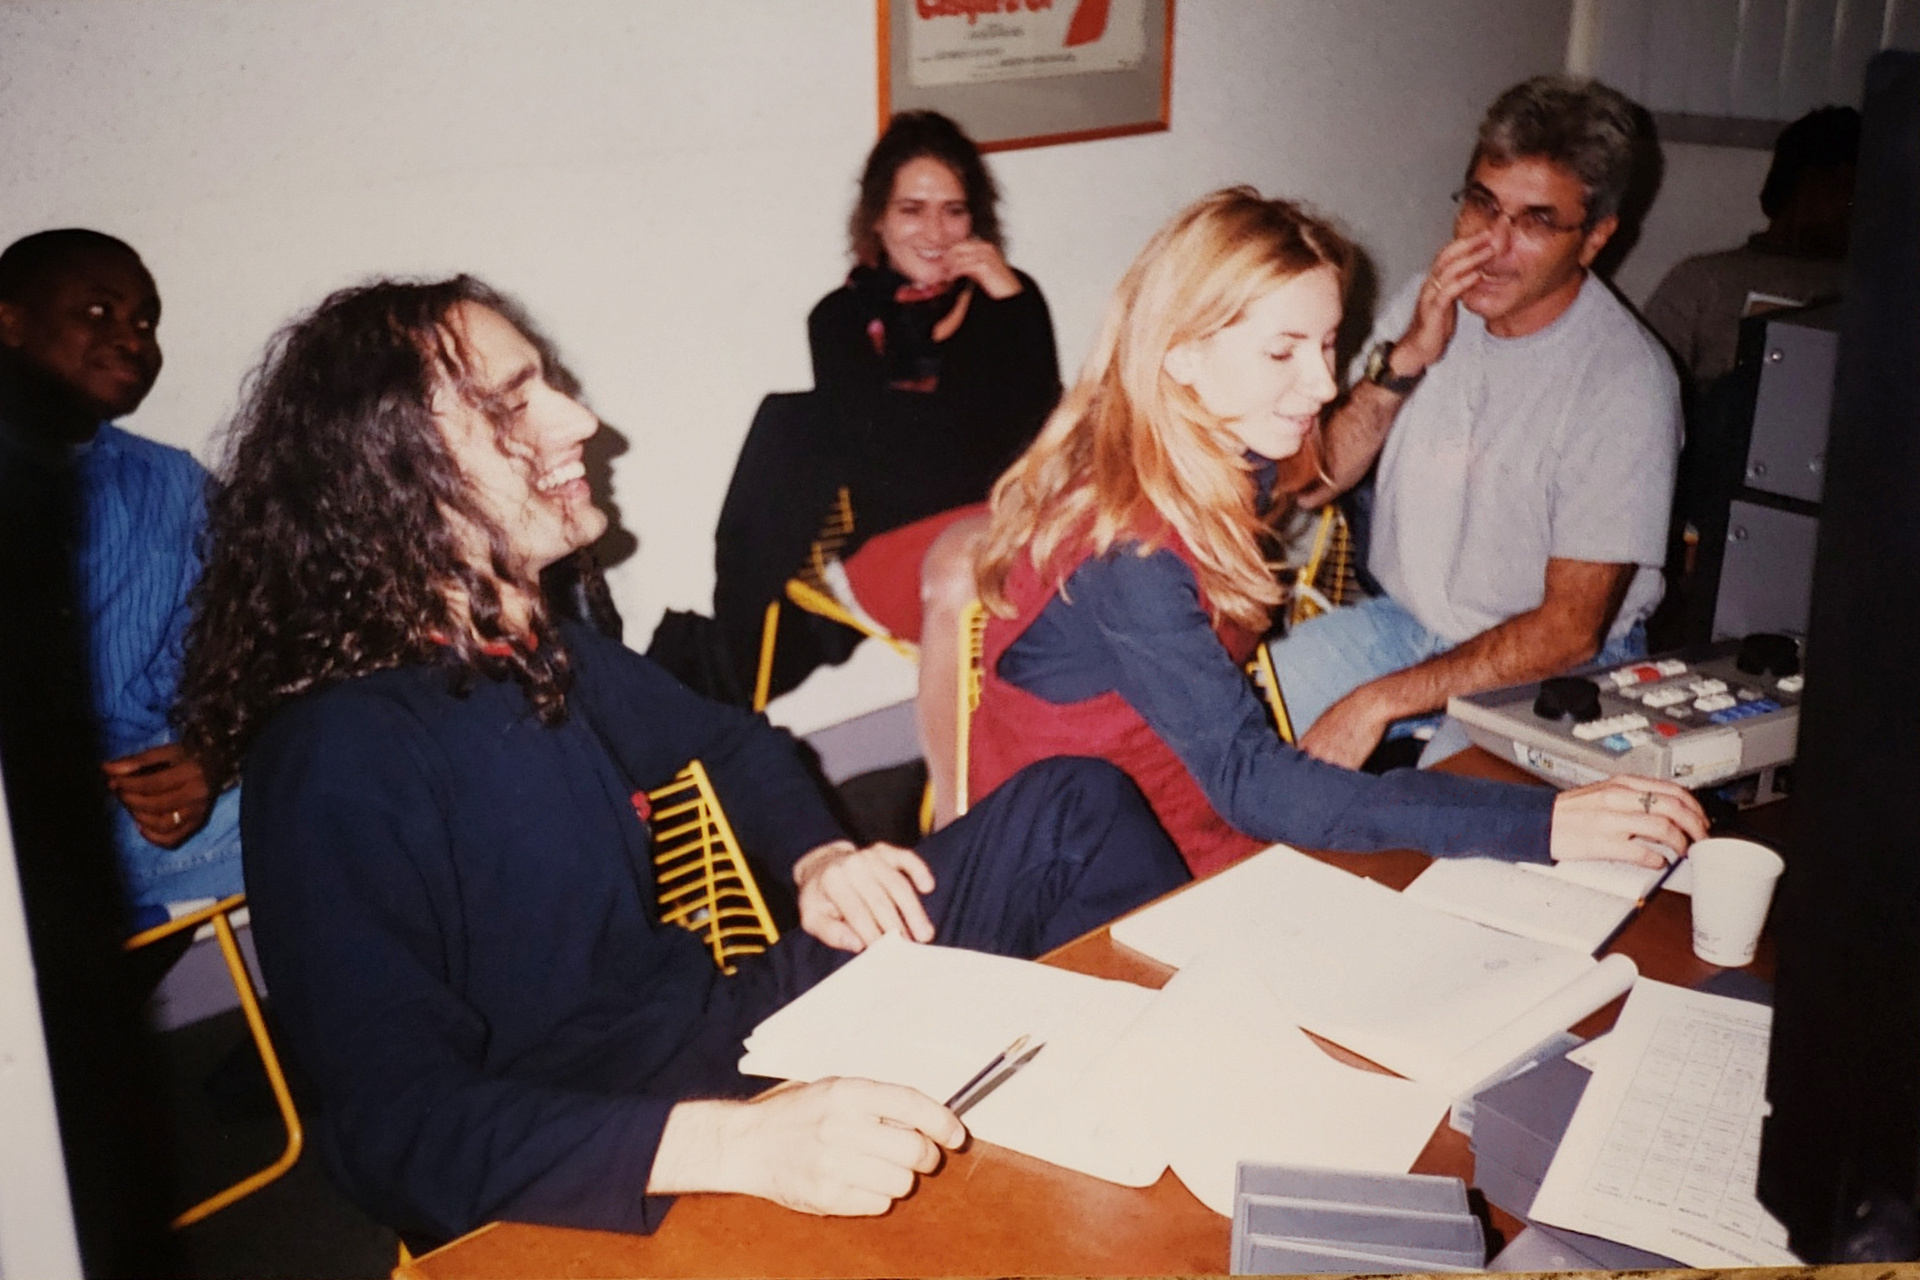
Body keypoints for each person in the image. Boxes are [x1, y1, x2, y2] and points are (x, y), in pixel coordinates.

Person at [174, 276, 1186, 1244]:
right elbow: (395, 1132)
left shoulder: (539, 651)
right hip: (598, 1158)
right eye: (514, 402)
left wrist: (819, 858)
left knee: (1075, 805)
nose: (578, 420)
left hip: (720, 1037)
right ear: (394, 473)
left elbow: (730, 739)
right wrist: (742, 1145)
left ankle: (1171, 1135)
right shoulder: (335, 756)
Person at [960, 187, 1706, 880]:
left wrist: (1405, 359)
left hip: (1175, 802)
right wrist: (1545, 823)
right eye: (1283, 351)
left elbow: (1314, 474)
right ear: (1181, 353)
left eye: (1327, 345)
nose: (1322, 384)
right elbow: (1250, 780)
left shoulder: (1219, 450)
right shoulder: (1130, 549)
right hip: (1083, 865)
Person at [1265, 75, 1682, 771]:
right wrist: (1404, 361)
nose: (1491, 245)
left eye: (1536, 222)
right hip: (1408, 629)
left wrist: (1377, 701)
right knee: (1229, 729)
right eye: (1483, 205)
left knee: (1441, 820)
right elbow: (1312, 483)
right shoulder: (1428, 301)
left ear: (1595, 239)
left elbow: (1569, 632)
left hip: (1551, 669)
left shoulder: (1626, 382)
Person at [710, 109, 1060, 703]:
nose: (936, 233)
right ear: (878, 218)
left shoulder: (1007, 300)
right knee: (1050, 616)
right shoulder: (840, 319)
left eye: (954, 210)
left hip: (1008, 525)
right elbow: (893, 472)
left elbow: (1041, 436)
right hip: (900, 545)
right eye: (912, 210)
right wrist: (985, 439)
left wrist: (1013, 303)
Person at [0, 228, 242, 915]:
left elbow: (245, 649)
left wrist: (211, 754)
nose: (133, 339)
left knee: (363, 767)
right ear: (10, 323)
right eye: (98, 311)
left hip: (136, 822)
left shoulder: (171, 485)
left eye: (145, 322)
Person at [1644, 105, 1858, 389]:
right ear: (1803, 183)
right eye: (1844, 186)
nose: (1851, 206)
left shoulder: (1875, 293)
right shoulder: (1704, 281)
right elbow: (1644, 384)